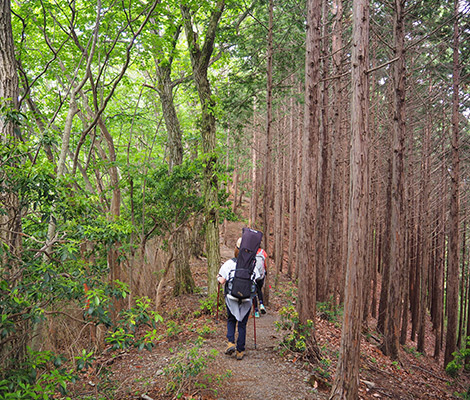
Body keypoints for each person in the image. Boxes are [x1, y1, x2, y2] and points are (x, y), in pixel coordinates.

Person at [217, 242, 260, 360]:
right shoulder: (252, 265)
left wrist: (219, 278)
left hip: (232, 297)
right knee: (242, 324)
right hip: (246, 299)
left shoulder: (229, 264)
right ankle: (240, 350)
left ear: (236, 249)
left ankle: (231, 343)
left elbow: (221, 280)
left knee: (231, 320)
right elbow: (258, 278)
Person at [236, 237, 268, 317]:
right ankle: (261, 304)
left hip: (253, 274)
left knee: (253, 292)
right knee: (259, 290)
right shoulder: (263, 252)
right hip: (261, 275)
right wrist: (265, 272)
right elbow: (265, 264)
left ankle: (256, 311)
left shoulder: (251, 252)